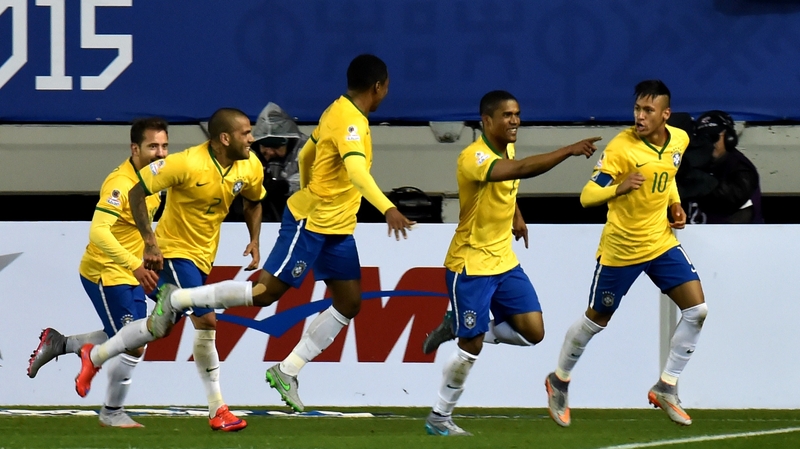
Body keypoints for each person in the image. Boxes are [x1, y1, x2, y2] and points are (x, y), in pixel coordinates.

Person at [73, 54, 415, 414]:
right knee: (259, 296)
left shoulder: (324, 120)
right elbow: (357, 170)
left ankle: (287, 370)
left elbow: (305, 155)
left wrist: (267, 227)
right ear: (379, 86)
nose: (252, 139)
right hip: (306, 224)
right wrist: (386, 207)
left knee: (350, 302)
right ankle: (206, 400)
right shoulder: (347, 120)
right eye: (246, 133)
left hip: (337, 226)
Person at [74, 107, 266, 432]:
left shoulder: (251, 166)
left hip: (204, 257)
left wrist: (255, 239)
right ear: (224, 138)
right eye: (245, 133)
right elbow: (137, 191)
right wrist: (150, 242)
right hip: (174, 254)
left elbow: (253, 200)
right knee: (206, 320)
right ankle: (218, 409)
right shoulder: (186, 163)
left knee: (155, 328)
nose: (252, 138)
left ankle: (94, 355)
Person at [420, 90, 600, 436]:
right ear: (486, 121)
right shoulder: (472, 157)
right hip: (470, 265)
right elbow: (517, 171)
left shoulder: (508, 146)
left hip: (503, 260)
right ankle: (439, 417)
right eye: (506, 115)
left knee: (534, 332)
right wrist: (568, 149)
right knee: (470, 348)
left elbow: (508, 184)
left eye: (517, 114)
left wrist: (516, 216)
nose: (514, 120)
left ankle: (457, 324)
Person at [544, 80, 708, 428]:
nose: (639, 116)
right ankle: (559, 379)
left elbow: (669, 172)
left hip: (660, 243)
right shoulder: (621, 148)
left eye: (648, 111)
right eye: (637, 109)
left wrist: (675, 204)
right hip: (622, 249)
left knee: (697, 310)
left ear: (665, 114)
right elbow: (587, 197)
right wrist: (620, 187)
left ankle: (666, 385)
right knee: (596, 320)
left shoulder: (679, 139)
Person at [26, 118, 168, 428]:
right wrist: (135, 264)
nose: (161, 153)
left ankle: (61, 344)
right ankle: (111, 412)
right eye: (153, 146)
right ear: (135, 149)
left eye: (165, 146)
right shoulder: (120, 183)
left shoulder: (157, 180)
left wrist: (150, 250)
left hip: (132, 269)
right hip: (106, 271)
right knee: (134, 341)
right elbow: (98, 232)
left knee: (135, 333)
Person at [678, 110, 763, 224]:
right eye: (703, 138)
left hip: (732, 239)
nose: (709, 144)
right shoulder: (692, 162)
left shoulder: (741, 168)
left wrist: (690, 176)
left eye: (713, 137)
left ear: (729, 138)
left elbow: (727, 200)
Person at [252, 102, 308, 221]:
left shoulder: (307, 151)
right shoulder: (248, 155)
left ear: (290, 143)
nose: (270, 152)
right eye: (265, 147)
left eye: (276, 147)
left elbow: (316, 178)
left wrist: (286, 186)